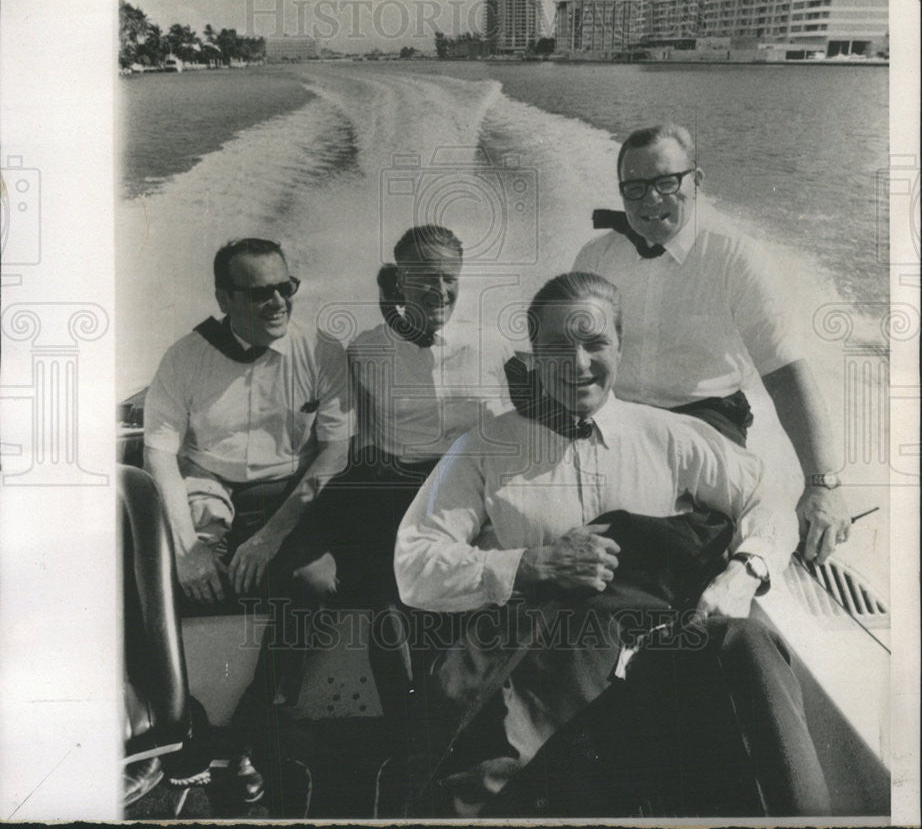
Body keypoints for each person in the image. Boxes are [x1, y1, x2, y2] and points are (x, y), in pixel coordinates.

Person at [395, 272, 829, 817]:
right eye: (557, 347)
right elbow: (414, 566)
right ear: (533, 354)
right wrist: (530, 565)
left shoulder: (668, 436)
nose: (578, 365)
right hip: (540, 683)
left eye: (595, 343)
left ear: (620, 347)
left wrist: (742, 572)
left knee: (744, 644)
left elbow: (766, 494)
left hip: (655, 669)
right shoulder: (483, 449)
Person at [572, 123, 850, 563]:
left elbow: (784, 371)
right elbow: (576, 359)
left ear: (696, 182)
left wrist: (822, 485)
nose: (650, 200)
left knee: (684, 540)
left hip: (704, 420)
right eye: (635, 188)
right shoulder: (595, 258)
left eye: (666, 183)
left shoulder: (735, 256)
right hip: (615, 417)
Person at [291, 225, 509, 716]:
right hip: (399, 490)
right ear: (399, 283)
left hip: (473, 492)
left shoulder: (491, 346)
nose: (441, 291)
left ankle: (472, 719)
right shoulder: (366, 352)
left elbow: (518, 428)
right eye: (426, 278)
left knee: (487, 590)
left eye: (450, 278)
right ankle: (406, 731)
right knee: (392, 600)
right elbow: (340, 434)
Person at [143, 237, 352, 706]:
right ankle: (180, 715)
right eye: (261, 292)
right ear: (225, 299)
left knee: (315, 583)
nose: (279, 302)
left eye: (286, 286)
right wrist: (188, 551)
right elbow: (158, 456)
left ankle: (260, 717)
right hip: (206, 489)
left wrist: (270, 537)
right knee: (166, 584)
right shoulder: (184, 359)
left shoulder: (320, 351)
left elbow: (335, 452)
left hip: (287, 498)